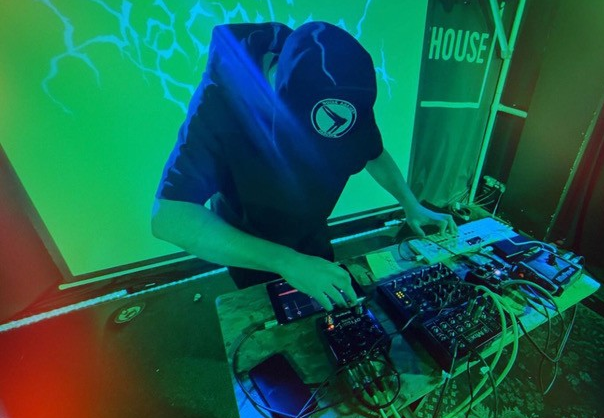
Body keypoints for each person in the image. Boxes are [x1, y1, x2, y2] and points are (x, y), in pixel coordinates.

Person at [151, 21, 457, 311]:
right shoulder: (220, 103)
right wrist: (286, 261)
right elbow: (169, 217)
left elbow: (373, 153)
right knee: (269, 312)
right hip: (250, 238)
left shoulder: (341, 88)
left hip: (311, 230)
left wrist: (410, 204)